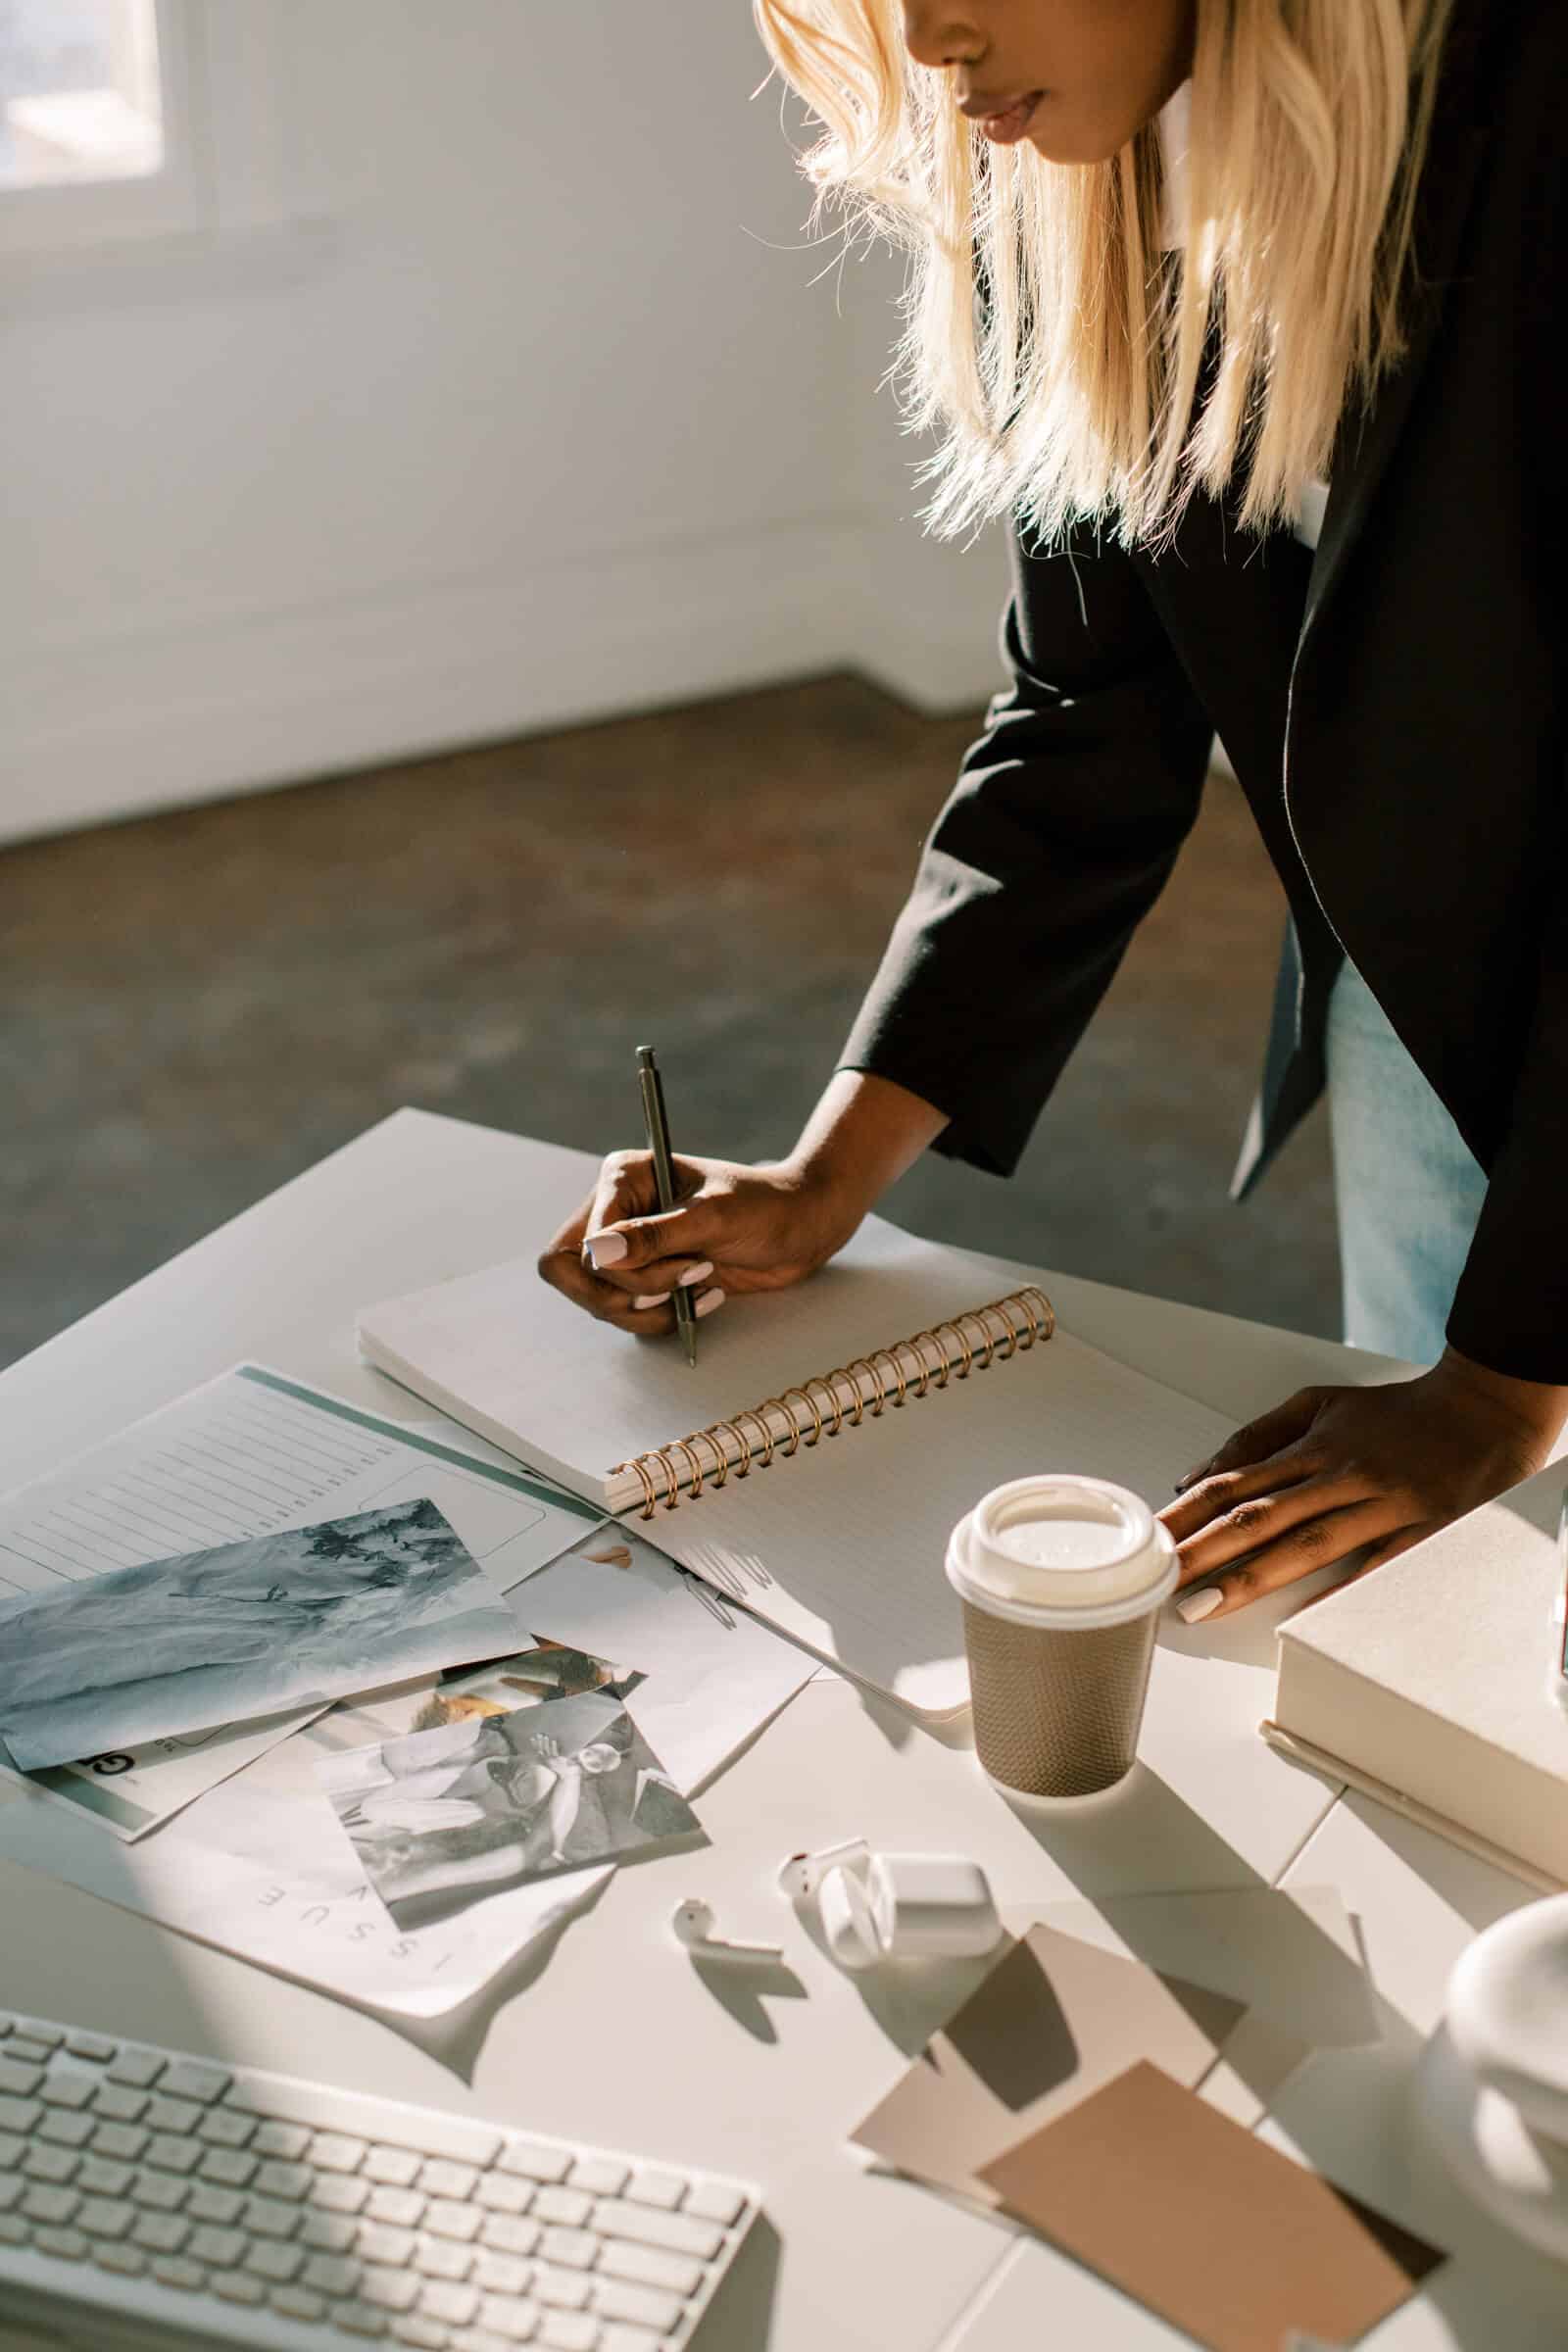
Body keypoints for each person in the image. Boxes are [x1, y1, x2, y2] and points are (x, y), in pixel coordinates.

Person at [539, 0, 1568, 1621]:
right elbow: (1091, 711)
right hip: (1416, 1001)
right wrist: (828, 1176)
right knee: (1465, 1616)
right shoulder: (1077, 177)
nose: (935, 41)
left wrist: (1506, 1387)